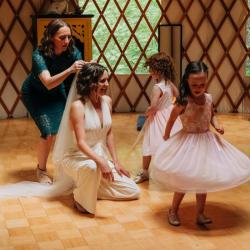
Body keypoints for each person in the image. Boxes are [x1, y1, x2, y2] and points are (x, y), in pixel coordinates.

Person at [151, 61, 250, 226]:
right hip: (187, 142)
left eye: (202, 84)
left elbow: (211, 115)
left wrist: (217, 124)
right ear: (187, 82)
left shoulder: (209, 98)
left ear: (207, 82)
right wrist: (166, 135)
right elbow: (171, 119)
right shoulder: (183, 101)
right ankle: (173, 210)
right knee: (183, 179)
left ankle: (200, 214)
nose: (198, 88)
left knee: (203, 179)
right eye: (194, 84)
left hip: (206, 142)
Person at [52, 63, 140, 214]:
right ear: (90, 82)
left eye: (107, 80)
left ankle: (90, 188)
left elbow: (109, 133)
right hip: (78, 158)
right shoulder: (78, 106)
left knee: (133, 191)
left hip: (101, 156)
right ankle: (80, 197)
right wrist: (101, 162)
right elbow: (80, 142)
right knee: (92, 167)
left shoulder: (107, 101)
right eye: (102, 81)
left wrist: (116, 162)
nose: (106, 84)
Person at [21, 19, 85, 184]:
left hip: (57, 93)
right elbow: (48, 83)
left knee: (66, 128)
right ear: (50, 37)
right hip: (35, 95)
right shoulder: (38, 55)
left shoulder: (73, 52)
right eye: (61, 38)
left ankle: (67, 166)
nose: (66, 41)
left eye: (69, 37)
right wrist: (70, 69)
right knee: (48, 133)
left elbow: (80, 74)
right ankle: (41, 171)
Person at [134, 52, 182, 184]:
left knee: (148, 144)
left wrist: (147, 113)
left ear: (158, 70)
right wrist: (169, 106)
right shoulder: (169, 83)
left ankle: (145, 171)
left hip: (158, 118)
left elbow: (154, 107)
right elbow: (178, 97)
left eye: (151, 69)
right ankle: (174, 171)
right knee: (171, 143)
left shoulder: (157, 87)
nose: (150, 72)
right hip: (169, 115)